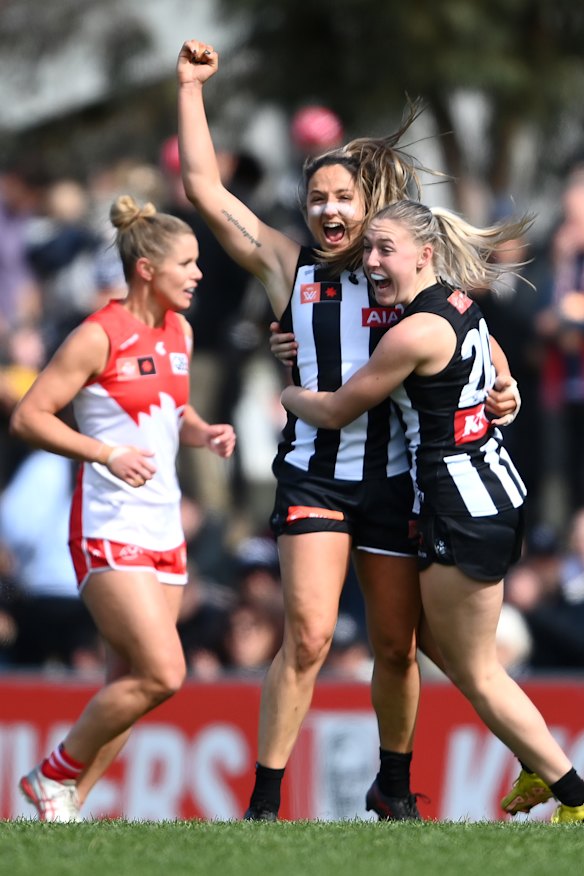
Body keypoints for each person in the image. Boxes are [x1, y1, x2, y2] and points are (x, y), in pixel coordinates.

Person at [176, 38, 520, 822]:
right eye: (317, 198)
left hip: (399, 480)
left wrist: (505, 392)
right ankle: (263, 807)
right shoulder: (286, 270)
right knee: (308, 635)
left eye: (342, 198)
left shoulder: (402, 272)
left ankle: (392, 791)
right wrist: (191, 87)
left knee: (398, 647)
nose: (328, 211)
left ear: (371, 207)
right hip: (315, 473)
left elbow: (478, 345)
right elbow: (202, 185)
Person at [280, 199, 584, 824]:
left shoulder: (413, 333)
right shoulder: (459, 303)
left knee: (475, 669)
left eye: (384, 248)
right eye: (369, 250)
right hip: (491, 493)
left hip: (459, 507)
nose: (371, 261)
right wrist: (509, 389)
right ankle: (538, 761)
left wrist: (289, 391)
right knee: (443, 648)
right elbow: (494, 363)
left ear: (425, 253)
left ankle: (571, 793)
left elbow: (337, 411)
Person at [10, 194, 236, 822]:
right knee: (164, 673)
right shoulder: (96, 335)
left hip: (164, 524)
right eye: (187, 264)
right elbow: (30, 416)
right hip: (109, 525)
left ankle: (66, 807)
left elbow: (170, 413)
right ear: (147, 270)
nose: (198, 274)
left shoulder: (180, 331)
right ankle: (51, 774)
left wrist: (205, 430)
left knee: (128, 687)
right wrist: (105, 453)